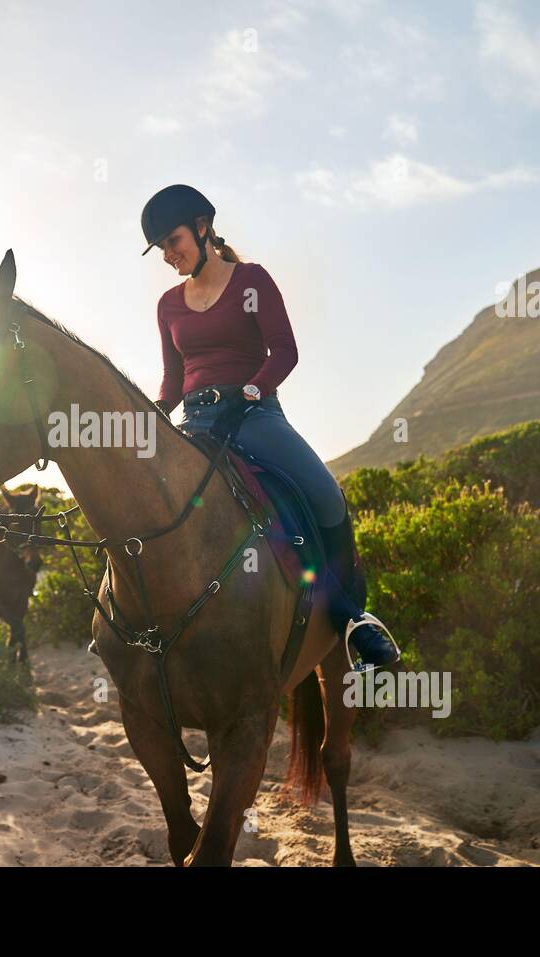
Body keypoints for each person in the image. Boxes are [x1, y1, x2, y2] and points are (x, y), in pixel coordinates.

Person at [141, 184, 400, 672]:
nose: (167, 254)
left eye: (172, 240)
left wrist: (251, 393)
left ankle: (352, 619)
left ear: (201, 228)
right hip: (195, 422)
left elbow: (284, 350)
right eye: (160, 248)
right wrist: (156, 412)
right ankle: (126, 623)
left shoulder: (252, 281)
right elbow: (174, 379)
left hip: (253, 416)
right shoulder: (168, 305)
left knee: (326, 495)